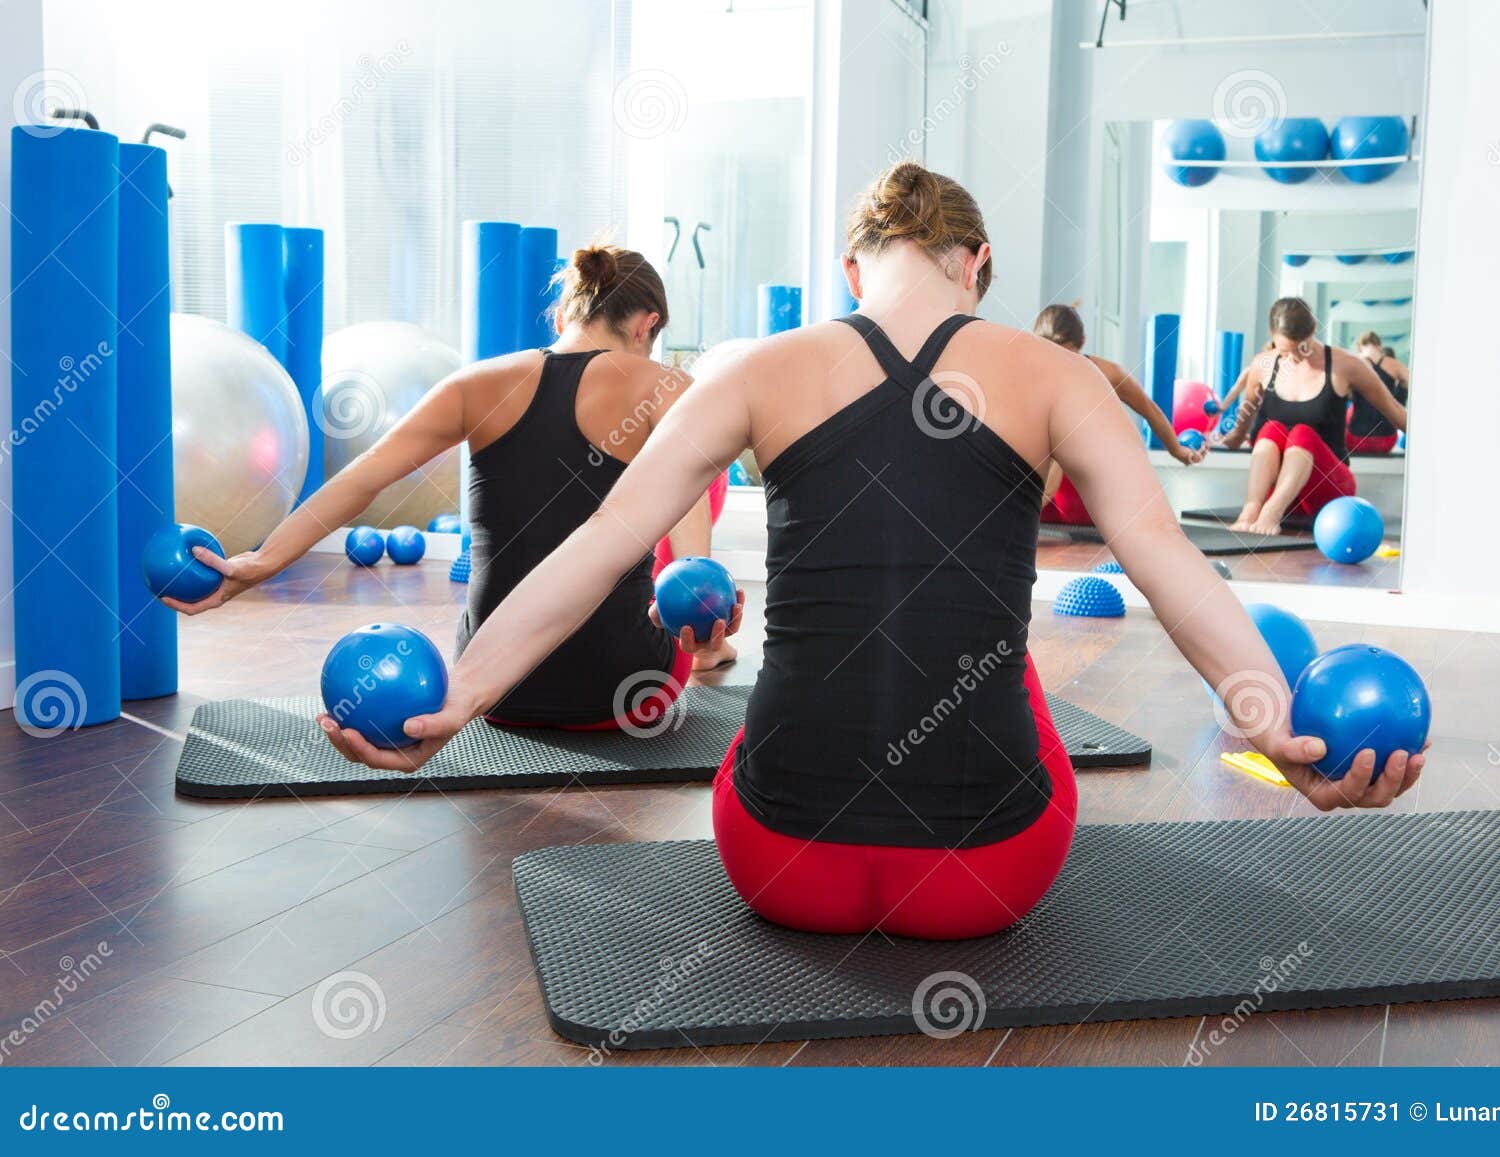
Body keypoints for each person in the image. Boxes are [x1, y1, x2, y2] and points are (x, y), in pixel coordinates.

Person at [323, 163, 1425, 940]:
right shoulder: (1056, 377)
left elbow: (603, 541)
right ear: (976, 261)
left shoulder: (753, 367)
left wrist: (458, 697)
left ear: (854, 268)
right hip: (983, 879)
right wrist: (1267, 720)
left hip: (773, 861)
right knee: (1010, 665)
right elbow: (1165, 560)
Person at [165, 242, 736, 730]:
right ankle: (712, 652)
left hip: (488, 689)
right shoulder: (668, 388)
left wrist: (259, 564)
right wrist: (701, 621)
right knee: (689, 467)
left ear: (562, 318)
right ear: (647, 326)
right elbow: (692, 569)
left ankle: (696, 645)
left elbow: (361, 478)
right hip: (625, 691)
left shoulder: (473, 384)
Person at [1212, 298, 1407, 535]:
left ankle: (1271, 512)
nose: (1294, 357)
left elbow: (1395, 411)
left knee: (1302, 433)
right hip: (1283, 490)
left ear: (1314, 331)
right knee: (1272, 428)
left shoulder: (1346, 365)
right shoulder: (1262, 365)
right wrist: (1231, 439)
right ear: (1272, 334)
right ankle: (1251, 510)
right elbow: (1247, 415)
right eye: (1285, 351)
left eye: (1300, 348)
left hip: (1328, 488)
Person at [1032, 303, 1204, 526]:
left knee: (1067, 431)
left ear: (1081, 344)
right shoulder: (1029, 374)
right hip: (1044, 503)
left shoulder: (1107, 373)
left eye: (1066, 355)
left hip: (1082, 503)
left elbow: (1150, 410)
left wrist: (1179, 452)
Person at [1346, 330, 1410, 454]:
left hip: (1355, 440)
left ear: (1360, 348)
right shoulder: (1394, 365)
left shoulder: (1353, 363)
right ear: (1379, 347)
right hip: (1386, 440)